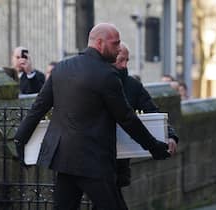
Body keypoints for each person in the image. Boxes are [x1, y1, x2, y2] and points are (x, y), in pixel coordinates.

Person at [14, 23, 171, 210]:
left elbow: (38, 108)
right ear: (99, 43)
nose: (118, 48)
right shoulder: (106, 75)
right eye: (115, 44)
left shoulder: (62, 68)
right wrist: (155, 148)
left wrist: (20, 139)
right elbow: (127, 118)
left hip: (64, 160)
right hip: (93, 162)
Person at [96, 43, 179, 210]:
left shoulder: (133, 86)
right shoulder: (94, 82)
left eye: (127, 60)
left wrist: (170, 135)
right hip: (94, 157)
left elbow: (153, 112)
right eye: (121, 60)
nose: (125, 65)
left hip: (118, 162)